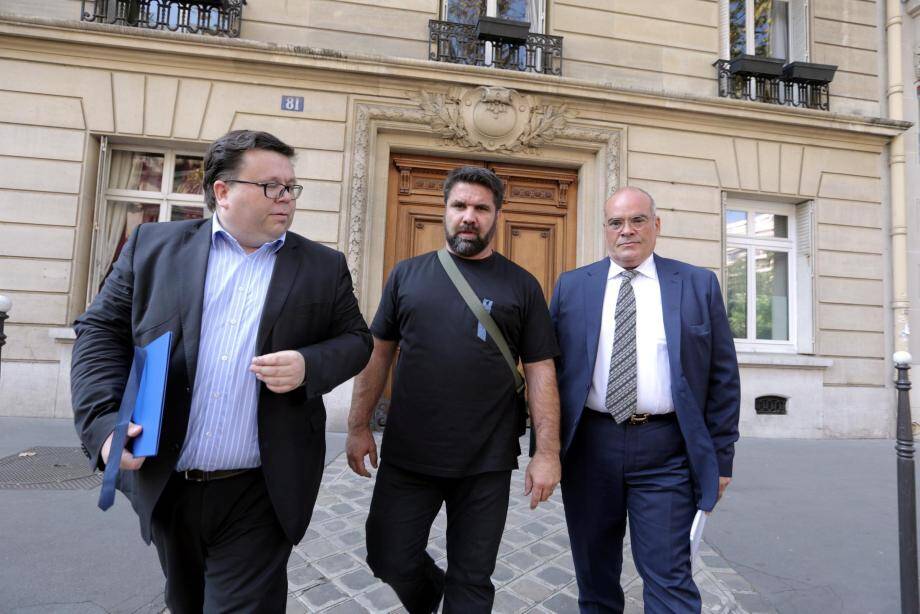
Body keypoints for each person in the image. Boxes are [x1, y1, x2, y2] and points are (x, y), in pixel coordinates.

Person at [71, 129, 373, 612]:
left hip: (263, 487)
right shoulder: (152, 247)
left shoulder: (322, 266)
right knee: (186, 603)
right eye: (271, 186)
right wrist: (105, 425)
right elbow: (100, 334)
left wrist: (308, 364)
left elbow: (358, 341)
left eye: (291, 187)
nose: (286, 199)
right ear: (223, 191)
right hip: (169, 480)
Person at [345, 166, 562, 613]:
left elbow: (540, 370)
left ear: (497, 215)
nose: (469, 216)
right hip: (409, 455)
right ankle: (430, 597)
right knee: (387, 554)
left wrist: (547, 452)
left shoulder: (522, 285)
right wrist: (357, 425)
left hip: (486, 460)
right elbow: (378, 352)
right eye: (460, 206)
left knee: (473, 578)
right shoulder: (407, 275)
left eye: (481, 208)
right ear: (444, 211)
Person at [550, 186, 740, 613]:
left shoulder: (697, 285)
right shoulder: (572, 287)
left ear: (656, 225)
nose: (627, 231)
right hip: (590, 450)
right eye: (616, 222)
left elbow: (723, 378)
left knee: (670, 580)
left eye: (637, 220)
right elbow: (548, 373)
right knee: (595, 581)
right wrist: (545, 449)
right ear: (605, 230)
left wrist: (722, 458)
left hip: (666, 451)